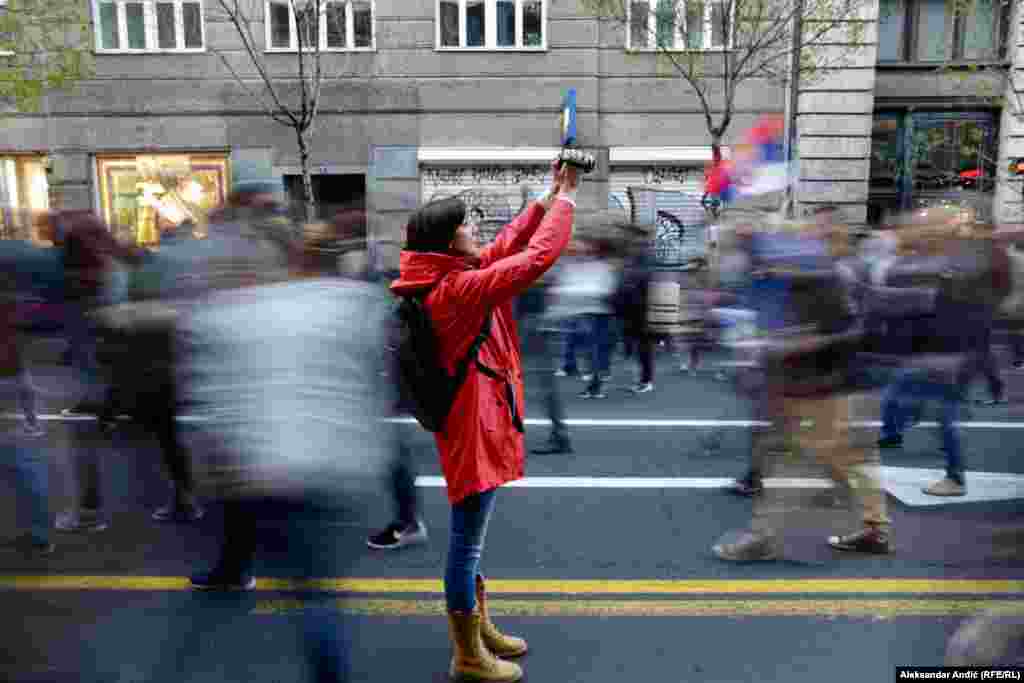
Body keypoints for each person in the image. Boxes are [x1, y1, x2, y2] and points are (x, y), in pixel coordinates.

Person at [390, 159, 577, 682]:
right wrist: (567, 203)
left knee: (471, 539)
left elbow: (510, 245)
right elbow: (535, 258)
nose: (476, 233)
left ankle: (480, 628)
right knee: (466, 542)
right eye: (466, 228)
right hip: (472, 429)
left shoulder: (453, 276)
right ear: (448, 245)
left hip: (476, 420)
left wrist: (546, 197)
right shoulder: (456, 293)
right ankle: (468, 654)